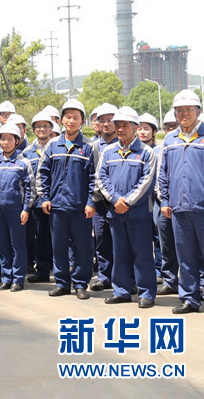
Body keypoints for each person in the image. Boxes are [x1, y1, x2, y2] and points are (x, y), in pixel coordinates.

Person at [157, 89, 204, 318]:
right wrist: (165, 200)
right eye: (179, 110)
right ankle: (189, 298)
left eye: (188, 109)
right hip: (178, 208)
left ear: (198, 111)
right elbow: (163, 173)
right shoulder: (170, 140)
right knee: (185, 256)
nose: (184, 114)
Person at [96, 107, 157, 308]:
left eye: (125, 125)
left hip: (139, 213)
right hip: (115, 212)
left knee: (142, 253)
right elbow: (101, 177)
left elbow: (147, 182)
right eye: (118, 125)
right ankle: (121, 291)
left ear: (135, 127)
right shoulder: (108, 151)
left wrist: (127, 202)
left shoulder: (146, 152)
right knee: (120, 253)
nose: (120, 129)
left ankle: (146, 293)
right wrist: (115, 200)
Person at [38, 98, 97, 300]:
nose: (71, 121)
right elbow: (43, 172)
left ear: (82, 121)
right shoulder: (53, 145)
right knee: (59, 246)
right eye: (68, 117)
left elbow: (95, 177)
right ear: (62, 120)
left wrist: (91, 202)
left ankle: (80, 283)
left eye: (76, 118)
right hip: (57, 206)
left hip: (80, 208)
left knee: (83, 247)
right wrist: (45, 197)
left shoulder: (89, 146)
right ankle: (62, 283)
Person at [0, 123, 32, 291]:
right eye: (3, 139)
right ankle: (5, 277)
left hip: (16, 210)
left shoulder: (23, 163)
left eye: (10, 139)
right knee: (1, 244)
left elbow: (30, 189)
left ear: (17, 141)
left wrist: (26, 209)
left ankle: (18, 278)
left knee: (17, 244)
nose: (6, 142)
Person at [24, 111, 55, 284]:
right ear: (33, 129)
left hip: (55, 200)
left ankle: (60, 271)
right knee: (41, 237)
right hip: (36, 202)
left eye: (45, 126)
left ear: (51, 128)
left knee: (58, 238)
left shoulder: (57, 148)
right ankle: (42, 270)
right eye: (38, 126)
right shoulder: (27, 152)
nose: (42, 129)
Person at [89, 103, 118, 292]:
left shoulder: (122, 144)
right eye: (102, 120)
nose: (106, 124)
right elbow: (91, 175)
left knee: (122, 242)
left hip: (119, 201)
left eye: (110, 120)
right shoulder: (93, 147)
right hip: (99, 201)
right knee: (102, 240)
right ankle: (104, 277)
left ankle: (124, 278)